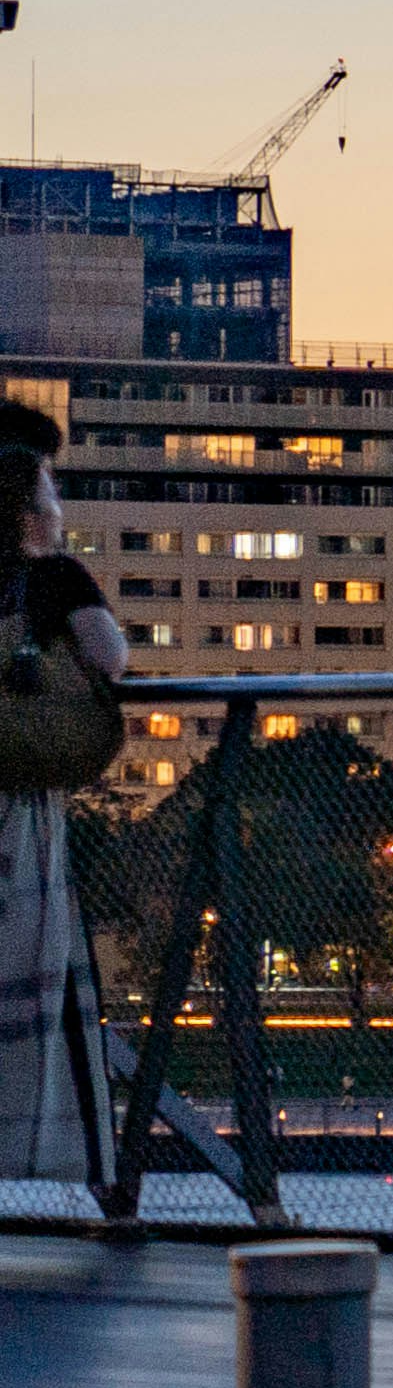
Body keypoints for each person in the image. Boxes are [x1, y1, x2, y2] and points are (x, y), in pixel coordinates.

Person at [0, 427, 129, 1181]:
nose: (59, 505)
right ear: (28, 509)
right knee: (27, 995)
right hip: (18, 808)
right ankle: (38, 1156)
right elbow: (109, 658)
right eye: (51, 490)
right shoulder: (51, 580)